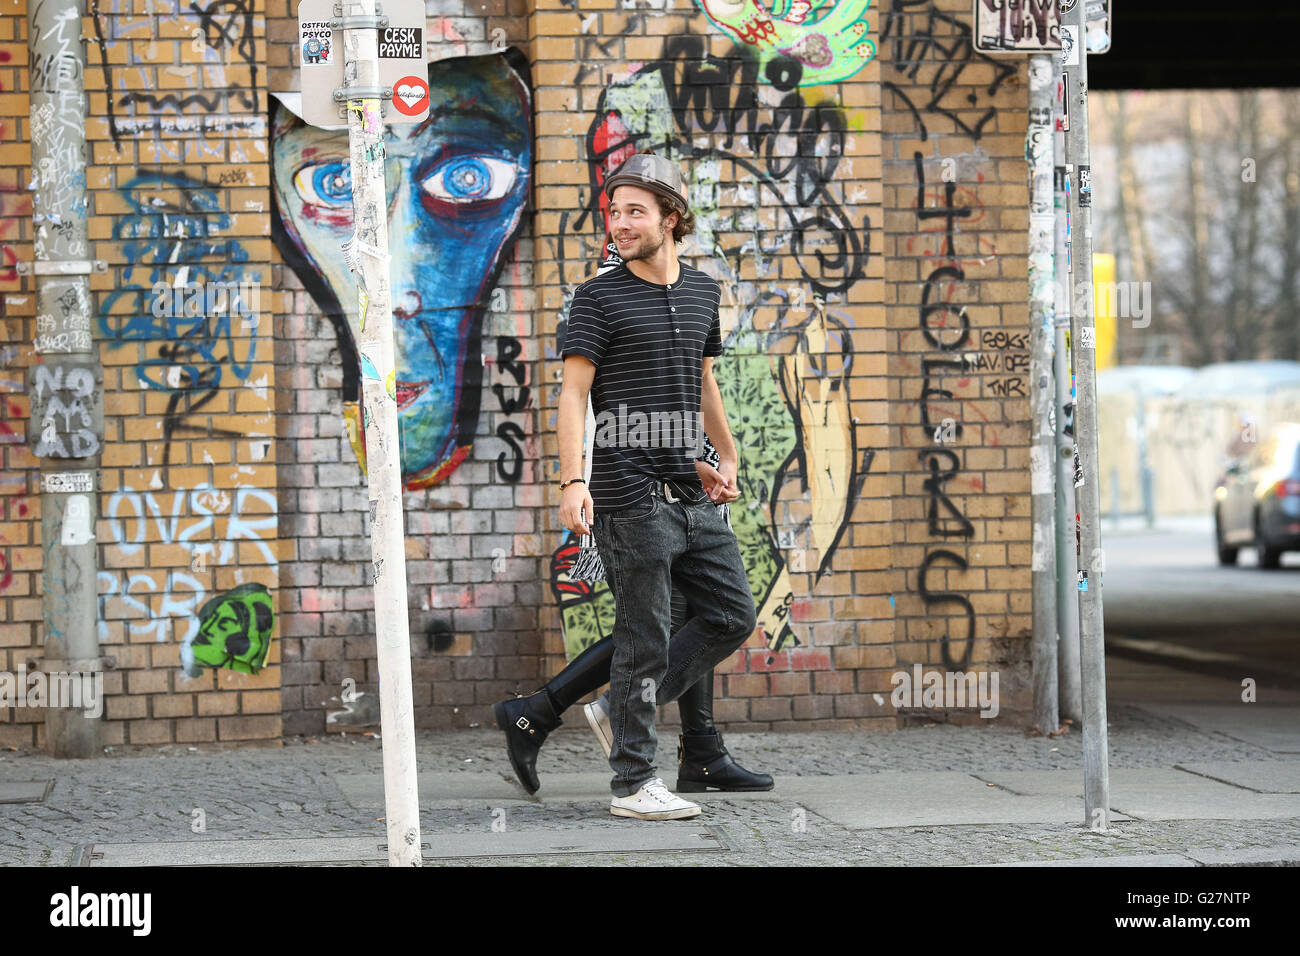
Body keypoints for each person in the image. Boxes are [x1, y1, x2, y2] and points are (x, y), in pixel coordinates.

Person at [498, 151, 764, 820]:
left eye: (634, 212)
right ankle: (634, 784)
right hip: (625, 490)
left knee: (731, 614)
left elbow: (698, 382)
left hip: (689, 487)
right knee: (643, 638)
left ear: (670, 219)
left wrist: (722, 455)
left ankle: (620, 709)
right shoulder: (599, 296)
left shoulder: (703, 292)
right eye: (614, 212)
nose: (619, 223)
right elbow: (572, 394)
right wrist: (572, 479)